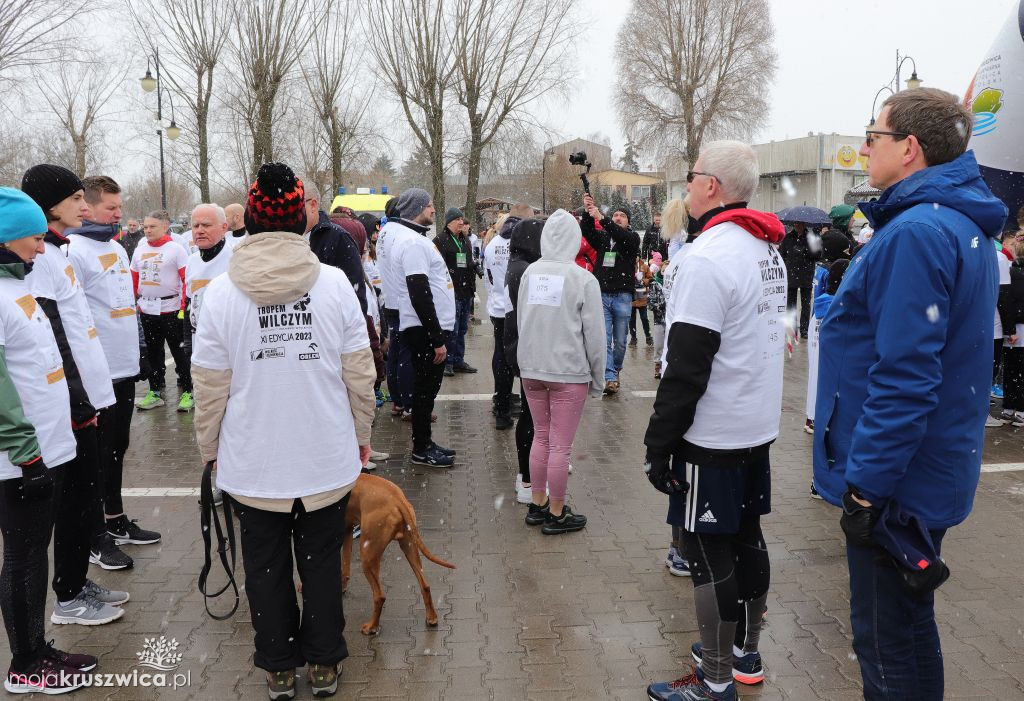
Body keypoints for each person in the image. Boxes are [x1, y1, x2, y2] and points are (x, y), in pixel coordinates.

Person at [812, 88, 1007, 700]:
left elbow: (904, 379)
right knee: (910, 625)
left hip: (898, 483)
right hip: (929, 468)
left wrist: (866, 489)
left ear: (910, 148)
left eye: (875, 135)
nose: (866, 146)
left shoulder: (918, 232)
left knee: (885, 640)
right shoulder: (955, 224)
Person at [192, 163, 374, 700]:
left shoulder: (222, 294)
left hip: (252, 458)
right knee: (320, 565)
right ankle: (323, 662)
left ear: (249, 218)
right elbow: (359, 374)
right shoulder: (336, 284)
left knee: (264, 567)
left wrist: (210, 451)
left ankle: (276, 664)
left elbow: (209, 387)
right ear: (302, 219)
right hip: (324, 453)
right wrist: (362, 433)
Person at [645, 141, 786, 701]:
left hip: (715, 432)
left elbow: (685, 366)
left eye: (691, 176)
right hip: (754, 425)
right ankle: (745, 652)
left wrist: (659, 444)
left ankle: (717, 678)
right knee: (748, 536)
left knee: (708, 551)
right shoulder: (763, 248)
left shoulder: (708, 257)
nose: (686, 185)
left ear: (713, 186)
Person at [21, 165, 127, 626]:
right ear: (50, 205)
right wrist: (77, 398)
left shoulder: (57, 250)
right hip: (68, 401)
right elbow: (53, 336)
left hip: (85, 395)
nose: (85, 206)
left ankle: (76, 578)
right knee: (72, 499)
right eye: (76, 198)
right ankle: (66, 598)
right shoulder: (38, 255)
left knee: (85, 495)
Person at [0, 188, 95, 694]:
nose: (42, 248)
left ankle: (39, 649)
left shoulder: (15, 288)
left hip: (45, 447)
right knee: (23, 558)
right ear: (6, 238)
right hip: (20, 457)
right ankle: (23, 665)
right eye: (35, 238)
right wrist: (24, 449)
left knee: (36, 553)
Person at [67, 175, 160, 571]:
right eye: (111, 207)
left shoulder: (119, 248)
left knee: (118, 448)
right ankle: (94, 537)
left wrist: (141, 355)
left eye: (120, 207)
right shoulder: (74, 250)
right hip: (95, 373)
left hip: (123, 368)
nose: (119, 213)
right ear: (88, 207)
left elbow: (126, 306)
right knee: (97, 457)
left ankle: (115, 518)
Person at [517, 210, 605, 534]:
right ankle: (557, 512)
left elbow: (521, 319)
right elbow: (596, 336)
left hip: (532, 367)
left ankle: (537, 503)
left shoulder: (530, 274)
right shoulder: (583, 278)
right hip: (568, 371)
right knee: (560, 446)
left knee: (541, 436)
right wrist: (599, 376)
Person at [390, 188, 457, 467]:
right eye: (429, 205)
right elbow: (419, 291)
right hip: (424, 328)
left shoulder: (416, 239)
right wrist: (436, 337)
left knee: (427, 389)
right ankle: (421, 448)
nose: (433, 210)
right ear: (417, 208)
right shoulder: (414, 244)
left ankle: (425, 441)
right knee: (424, 389)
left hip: (426, 326)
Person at [130, 210, 191, 411]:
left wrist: (183, 307)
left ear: (165, 226)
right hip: (147, 309)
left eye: (152, 226)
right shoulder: (139, 249)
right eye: (145, 226)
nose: (147, 230)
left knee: (179, 353)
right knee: (154, 354)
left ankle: (188, 391)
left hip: (172, 309)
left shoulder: (176, 249)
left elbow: (186, 280)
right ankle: (155, 391)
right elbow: (133, 279)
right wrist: (132, 304)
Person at [502, 218, 544, 504]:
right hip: (526, 349)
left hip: (516, 346)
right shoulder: (526, 271)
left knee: (530, 416)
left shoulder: (516, 267)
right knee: (531, 417)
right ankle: (528, 478)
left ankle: (527, 475)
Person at [581, 196, 640, 395]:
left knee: (621, 341)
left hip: (623, 296)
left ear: (628, 221)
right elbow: (587, 232)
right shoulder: (604, 237)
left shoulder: (632, 239)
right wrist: (588, 211)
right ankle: (610, 376)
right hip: (602, 294)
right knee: (604, 338)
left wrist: (603, 218)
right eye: (615, 215)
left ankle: (615, 368)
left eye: (622, 216)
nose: (617, 218)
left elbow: (621, 236)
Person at [485, 205, 532, 429]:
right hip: (520, 309)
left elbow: (489, 279)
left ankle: (502, 408)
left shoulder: (493, 244)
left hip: (499, 308)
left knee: (501, 356)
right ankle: (526, 409)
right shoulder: (527, 244)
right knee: (524, 358)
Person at [302, 184, 367, 315]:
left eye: (294, 205)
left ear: (313, 205)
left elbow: (355, 297)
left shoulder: (339, 238)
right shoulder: (285, 237)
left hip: (328, 328)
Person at [435, 208, 478, 377]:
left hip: (465, 291)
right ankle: (448, 362)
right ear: (449, 221)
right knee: (451, 329)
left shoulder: (465, 240)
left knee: (462, 329)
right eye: (458, 219)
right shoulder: (440, 240)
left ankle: (459, 360)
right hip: (450, 292)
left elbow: (467, 262)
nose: (462, 222)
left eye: (462, 219)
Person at [999, 237, 1024, 426]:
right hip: (1018, 326)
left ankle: (1008, 408)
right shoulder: (1014, 272)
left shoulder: (1009, 270)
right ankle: (1021, 410)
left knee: (1011, 368)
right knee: (1019, 369)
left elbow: (1006, 301)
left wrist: (1009, 328)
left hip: (1010, 326)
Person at [779, 221, 819, 339]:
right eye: (795, 224)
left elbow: (817, 255)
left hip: (806, 274)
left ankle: (804, 329)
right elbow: (782, 254)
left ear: (804, 225)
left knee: (805, 303)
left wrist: (805, 251)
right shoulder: (788, 237)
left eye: (799, 224)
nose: (797, 226)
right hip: (791, 273)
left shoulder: (811, 237)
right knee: (791, 303)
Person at [629, 256, 653, 346]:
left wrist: (643, 280)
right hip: (631, 296)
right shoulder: (629, 265)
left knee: (644, 318)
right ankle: (633, 338)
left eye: (636, 255)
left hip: (642, 296)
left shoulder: (645, 266)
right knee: (631, 319)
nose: (635, 257)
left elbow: (650, 278)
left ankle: (648, 337)